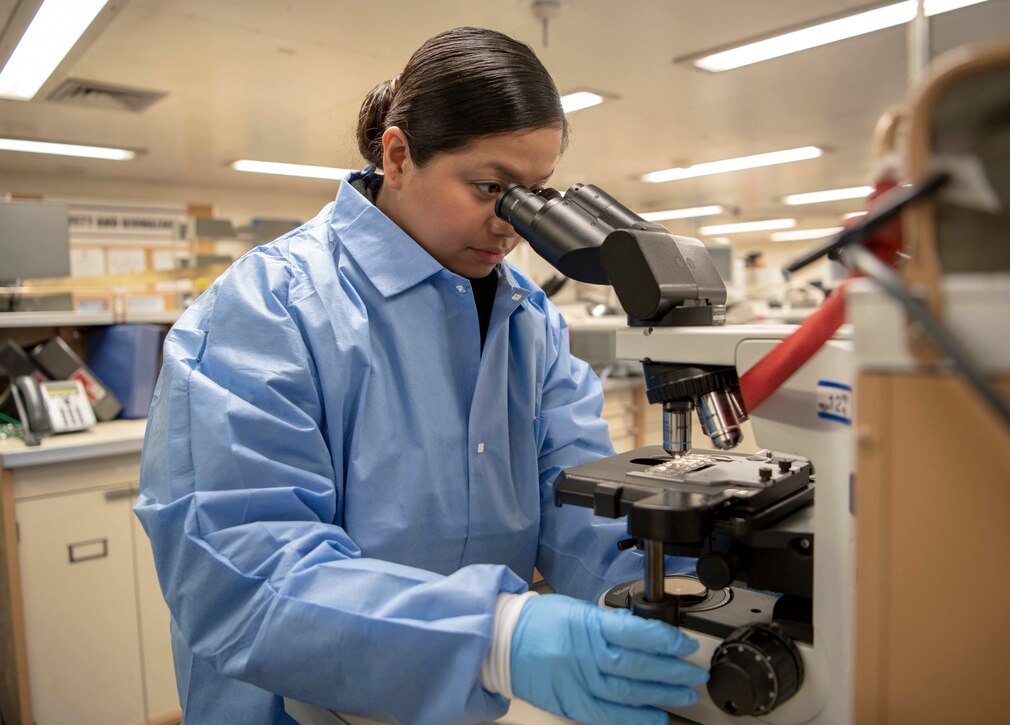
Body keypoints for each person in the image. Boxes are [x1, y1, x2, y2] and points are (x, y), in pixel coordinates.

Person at [135, 26, 708, 725]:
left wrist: (667, 598)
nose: (512, 226)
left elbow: (578, 504)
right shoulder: (263, 312)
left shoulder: (532, 323)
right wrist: (493, 637)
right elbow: (244, 577)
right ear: (398, 155)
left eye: (535, 193)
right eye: (491, 187)